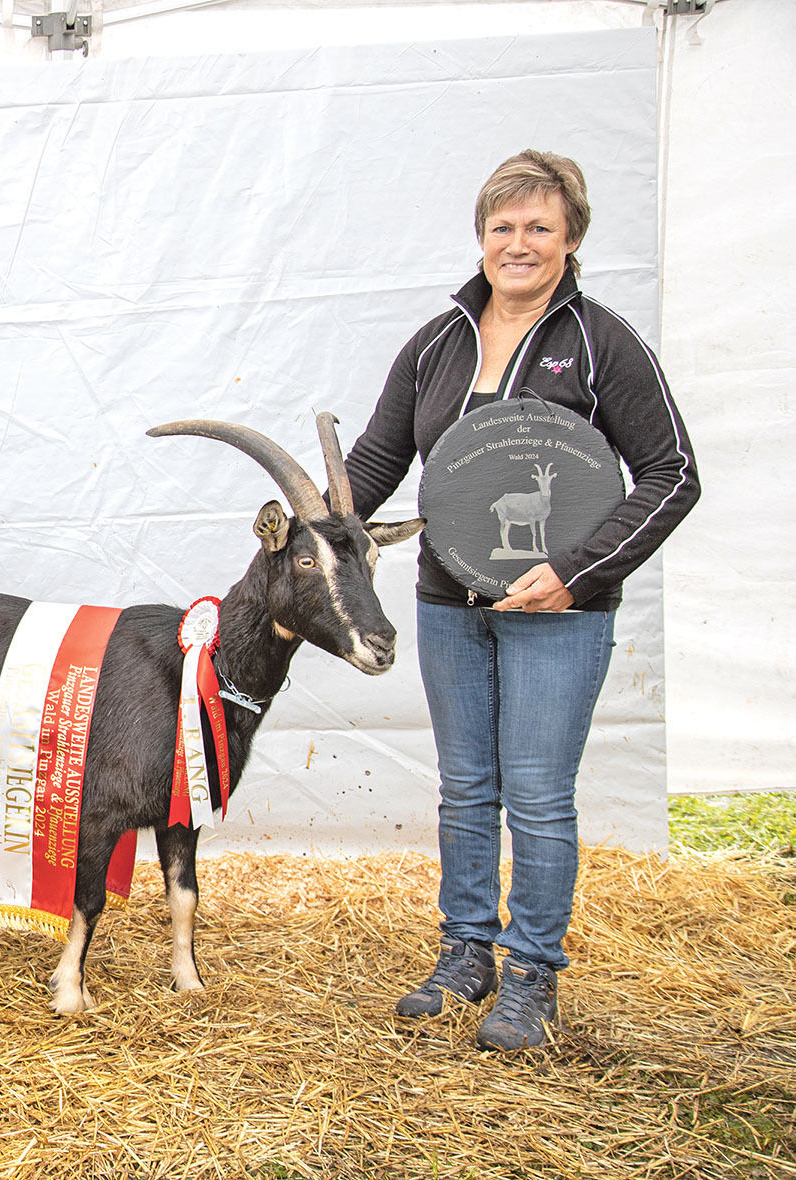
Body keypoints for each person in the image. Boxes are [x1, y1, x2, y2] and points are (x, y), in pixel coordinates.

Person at [343, 150, 699, 1050]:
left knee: (537, 795)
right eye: (502, 227)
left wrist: (579, 570)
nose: (518, 243)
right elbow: (377, 463)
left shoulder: (602, 342)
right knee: (466, 790)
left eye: (539, 226)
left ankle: (532, 971)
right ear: (480, 236)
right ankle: (465, 953)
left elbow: (671, 473)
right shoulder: (437, 340)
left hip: (559, 611)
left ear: (571, 238)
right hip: (446, 602)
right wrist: (307, 525)